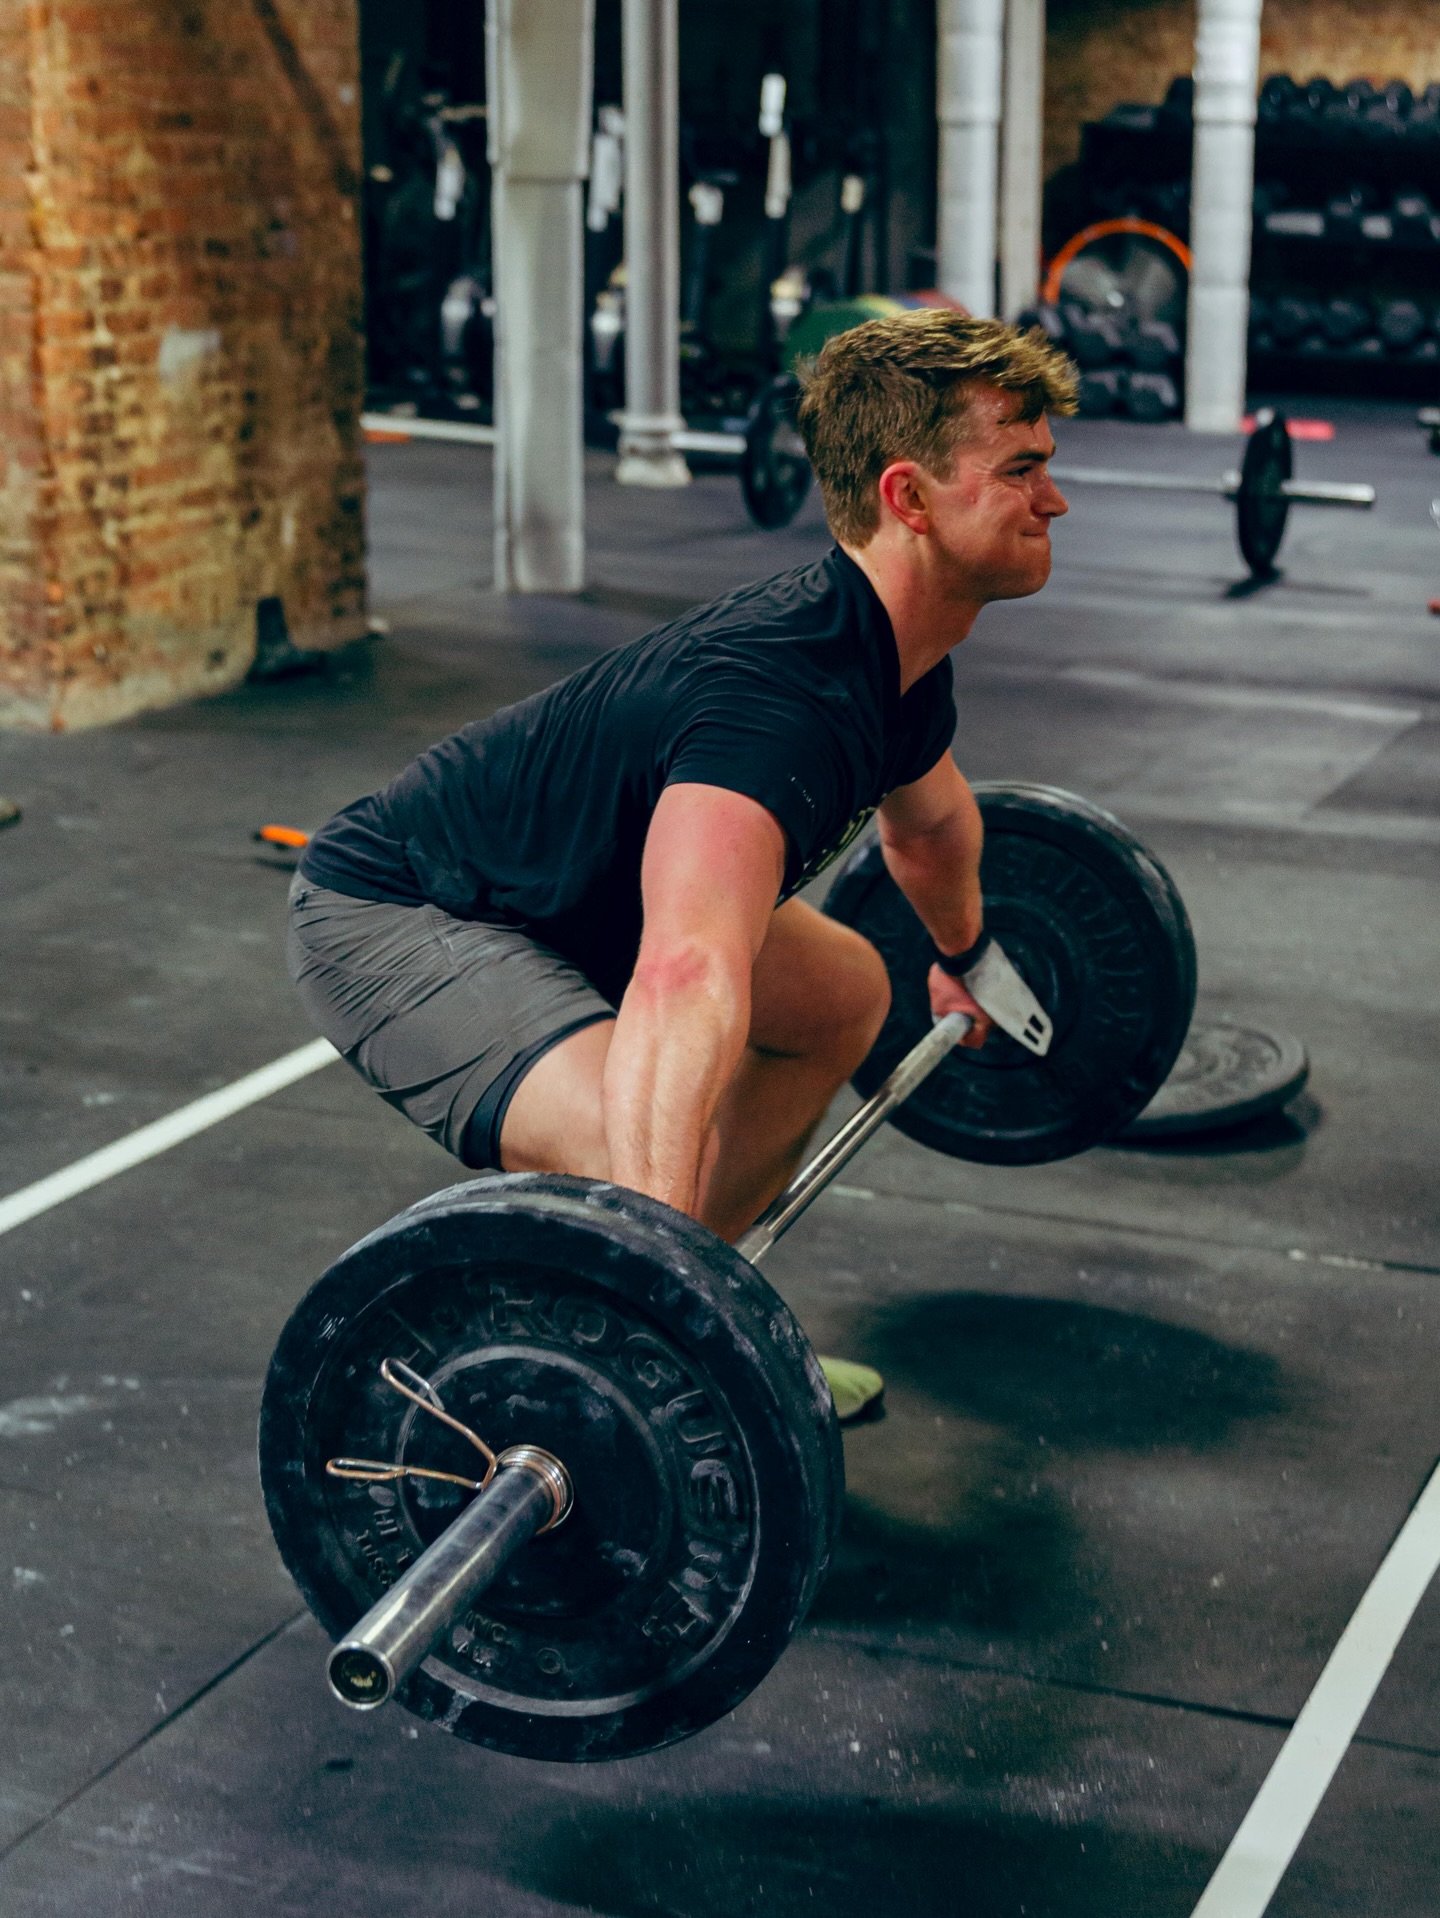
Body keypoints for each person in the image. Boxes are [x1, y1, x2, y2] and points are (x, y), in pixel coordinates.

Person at [287, 311, 1075, 1418]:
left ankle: (701, 1322)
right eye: (1022, 470)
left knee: (847, 992)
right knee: (637, 1146)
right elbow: (685, 973)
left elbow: (933, 829)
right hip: (411, 910)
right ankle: (629, 1368)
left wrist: (968, 957)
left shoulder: (895, 661)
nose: (1054, 499)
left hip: (578, 898)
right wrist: (659, 1279)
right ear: (909, 497)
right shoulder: (776, 704)